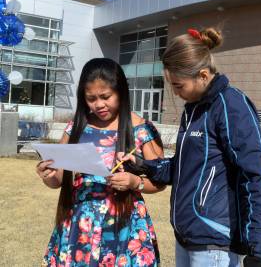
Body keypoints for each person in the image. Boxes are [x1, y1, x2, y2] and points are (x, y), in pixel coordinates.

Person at [119, 28, 261, 267]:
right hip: (186, 238)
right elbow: (184, 168)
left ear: (203, 75)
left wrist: (257, 250)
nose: (175, 92)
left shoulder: (231, 105)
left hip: (215, 244)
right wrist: (143, 166)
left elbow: (259, 176)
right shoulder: (192, 109)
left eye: (179, 85)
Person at [36, 58, 165, 267]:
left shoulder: (141, 129)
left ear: (120, 92)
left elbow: (160, 180)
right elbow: (58, 180)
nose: (99, 104)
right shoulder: (76, 127)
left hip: (125, 226)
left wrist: (135, 183)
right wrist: (48, 176)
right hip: (80, 223)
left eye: (106, 97)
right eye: (91, 98)